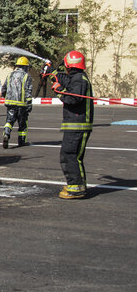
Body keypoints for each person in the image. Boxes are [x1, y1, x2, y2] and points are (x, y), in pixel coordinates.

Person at [51, 50, 94, 199]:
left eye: (66, 67)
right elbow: (66, 80)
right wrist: (54, 73)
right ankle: (78, 184)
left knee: (69, 155)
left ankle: (75, 189)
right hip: (77, 125)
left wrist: (58, 91)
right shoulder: (78, 77)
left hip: (78, 125)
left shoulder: (79, 80)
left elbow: (73, 99)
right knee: (75, 156)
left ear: (69, 65)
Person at [1, 57, 32, 148]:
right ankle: (22, 141)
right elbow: (28, 91)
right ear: (25, 67)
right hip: (21, 105)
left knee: (9, 121)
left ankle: (6, 134)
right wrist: (29, 104)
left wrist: (5, 95)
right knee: (22, 124)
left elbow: (4, 88)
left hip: (10, 104)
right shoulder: (26, 76)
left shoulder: (10, 75)